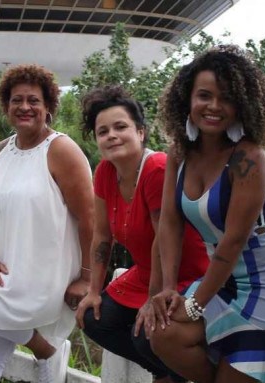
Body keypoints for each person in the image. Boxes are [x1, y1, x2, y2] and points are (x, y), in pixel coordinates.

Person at [149, 45, 265, 383]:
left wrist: (194, 305)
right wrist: (167, 287)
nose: (215, 107)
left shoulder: (248, 158)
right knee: (162, 334)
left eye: (227, 98)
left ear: (242, 105)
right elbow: (171, 223)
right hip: (221, 280)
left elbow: (233, 241)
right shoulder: (178, 154)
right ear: (187, 99)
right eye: (204, 95)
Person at [0, 64, 94, 383]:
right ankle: (49, 353)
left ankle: (46, 351)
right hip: (7, 271)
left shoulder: (61, 149)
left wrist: (87, 278)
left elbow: (90, 219)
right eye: (17, 100)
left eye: (33, 100)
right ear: (6, 106)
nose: (25, 107)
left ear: (48, 107)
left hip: (47, 272)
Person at [74, 85, 209, 383]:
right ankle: (167, 372)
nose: (111, 135)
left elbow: (164, 238)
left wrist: (152, 299)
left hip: (185, 275)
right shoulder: (105, 173)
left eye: (120, 127)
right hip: (145, 273)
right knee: (94, 318)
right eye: (103, 131)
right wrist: (94, 290)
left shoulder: (157, 169)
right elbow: (102, 236)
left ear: (140, 132)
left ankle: (178, 373)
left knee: (146, 335)